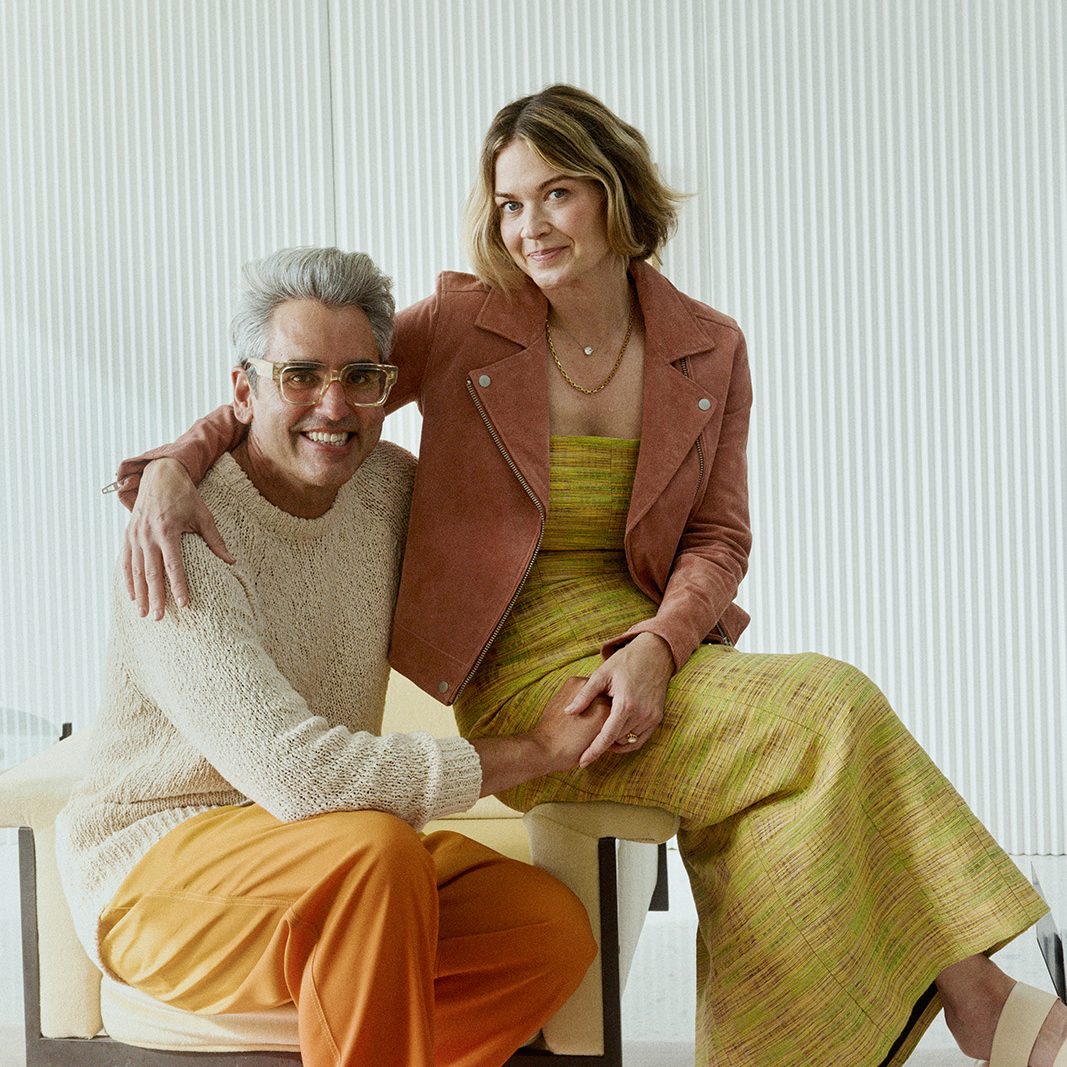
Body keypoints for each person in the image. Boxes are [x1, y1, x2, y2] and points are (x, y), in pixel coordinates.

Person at [109, 88, 1066, 1066]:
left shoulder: (708, 347)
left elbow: (718, 536)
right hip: (521, 665)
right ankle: (980, 997)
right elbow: (312, 385)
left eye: (554, 193)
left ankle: (847, 1028)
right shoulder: (467, 326)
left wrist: (658, 641)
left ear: (613, 191)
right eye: (509, 205)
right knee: (831, 705)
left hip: (643, 646)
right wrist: (177, 465)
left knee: (791, 777)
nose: (528, 227)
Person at [59, 246, 606, 1067]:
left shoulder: (390, 491)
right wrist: (532, 753)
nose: (332, 403)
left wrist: (661, 636)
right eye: (300, 376)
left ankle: (348, 1023)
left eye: (359, 377)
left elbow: (531, 554)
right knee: (377, 850)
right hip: (155, 869)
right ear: (242, 389)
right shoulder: (181, 539)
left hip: (326, 854)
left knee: (546, 930)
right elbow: (301, 778)